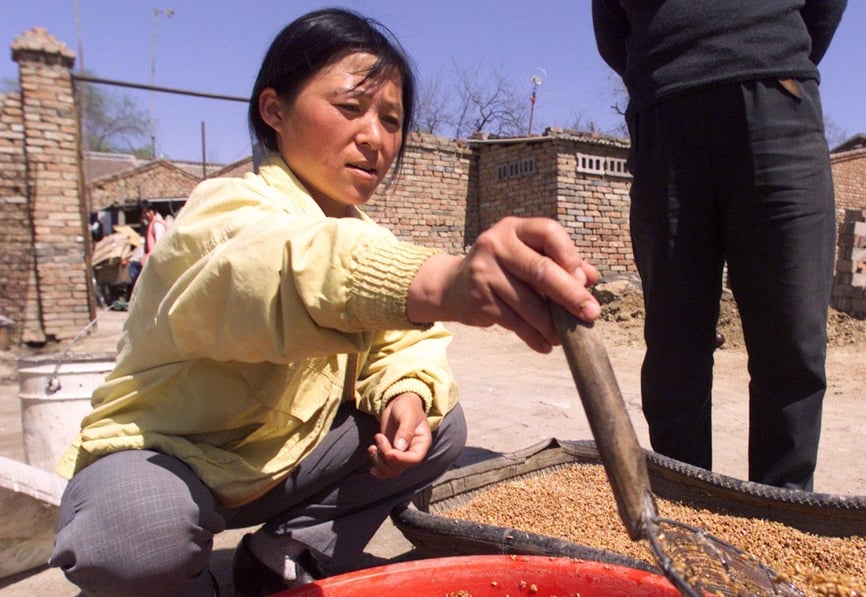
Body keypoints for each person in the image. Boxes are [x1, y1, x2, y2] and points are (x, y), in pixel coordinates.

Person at [49, 8, 600, 596]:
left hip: (286, 463)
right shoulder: (221, 213)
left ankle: (282, 553)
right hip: (172, 462)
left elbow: (402, 344)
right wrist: (441, 280)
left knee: (442, 423)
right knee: (132, 539)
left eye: (391, 120)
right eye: (349, 108)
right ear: (274, 110)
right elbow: (278, 268)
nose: (375, 137)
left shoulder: (368, 233)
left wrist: (406, 395)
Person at [592, 0, 846, 491]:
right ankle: (686, 512)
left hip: (776, 94)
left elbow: (825, 9)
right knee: (674, 345)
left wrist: (764, 50)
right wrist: (665, 68)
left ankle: (781, 519)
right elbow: (611, 26)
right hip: (665, 111)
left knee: (791, 338)